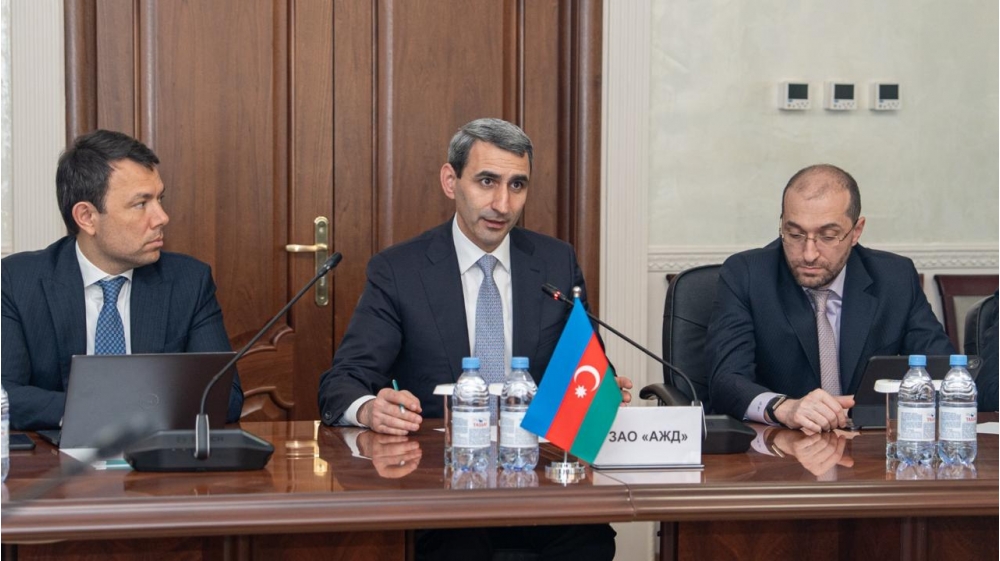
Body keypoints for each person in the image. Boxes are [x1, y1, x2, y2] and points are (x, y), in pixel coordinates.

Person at [318, 118, 627, 560]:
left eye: (517, 185)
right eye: (487, 181)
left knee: (591, 541)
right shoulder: (399, 271)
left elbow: (586, 366)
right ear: (451, 181)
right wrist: (369, 409)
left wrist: (604, 387)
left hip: (541, 481)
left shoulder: (555, 262)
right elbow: (342, 381)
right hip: (441, 487)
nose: (502, 203)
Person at [1, 129, 243, 430]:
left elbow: (226, 397)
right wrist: (99, 411)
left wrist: (117, 409)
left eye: (160, 199)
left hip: (156, 454)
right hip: (56, 455)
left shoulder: (189, 282)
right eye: (141, 204)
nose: (162, 217)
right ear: (87, 217)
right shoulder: (17, 281)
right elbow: (5, 393)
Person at [707, 164, 954, 434]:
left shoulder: (894, 278)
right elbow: (726, 380)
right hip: (779, 445)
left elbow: (944, 374)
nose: (809, 254)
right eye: (795, 234)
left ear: (856, 231)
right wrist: (784, 407)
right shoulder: (747, 275)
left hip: (867, 447)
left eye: (827, 236)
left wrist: (876, 408)